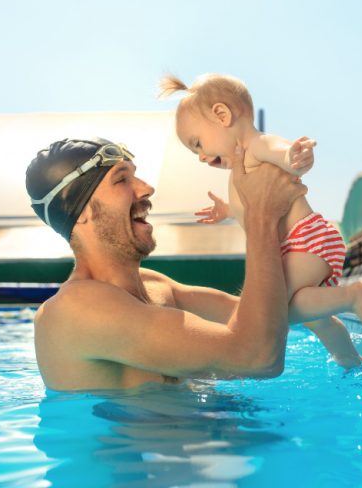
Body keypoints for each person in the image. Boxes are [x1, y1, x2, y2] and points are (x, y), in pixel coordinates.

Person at [26, 136, 316, 391]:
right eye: (121, 179)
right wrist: (261, 217)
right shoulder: (74, 310)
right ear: (82, 211)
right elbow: (258, 356)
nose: (147, 188)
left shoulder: (154, 285)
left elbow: (272, 316)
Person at [159, 73, 362, 368]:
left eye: (198, 143)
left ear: (222, 114)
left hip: (305, 238)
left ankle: (352, 297)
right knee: (317, 320)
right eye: (195, 152)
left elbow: (280, 152)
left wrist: (294, 155)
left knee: (275, 310)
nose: (201, 157)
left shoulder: (256, 145)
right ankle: (351, 360)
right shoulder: (241, 170)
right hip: (298, 245)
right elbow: (253, 209)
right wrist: (228, 210)